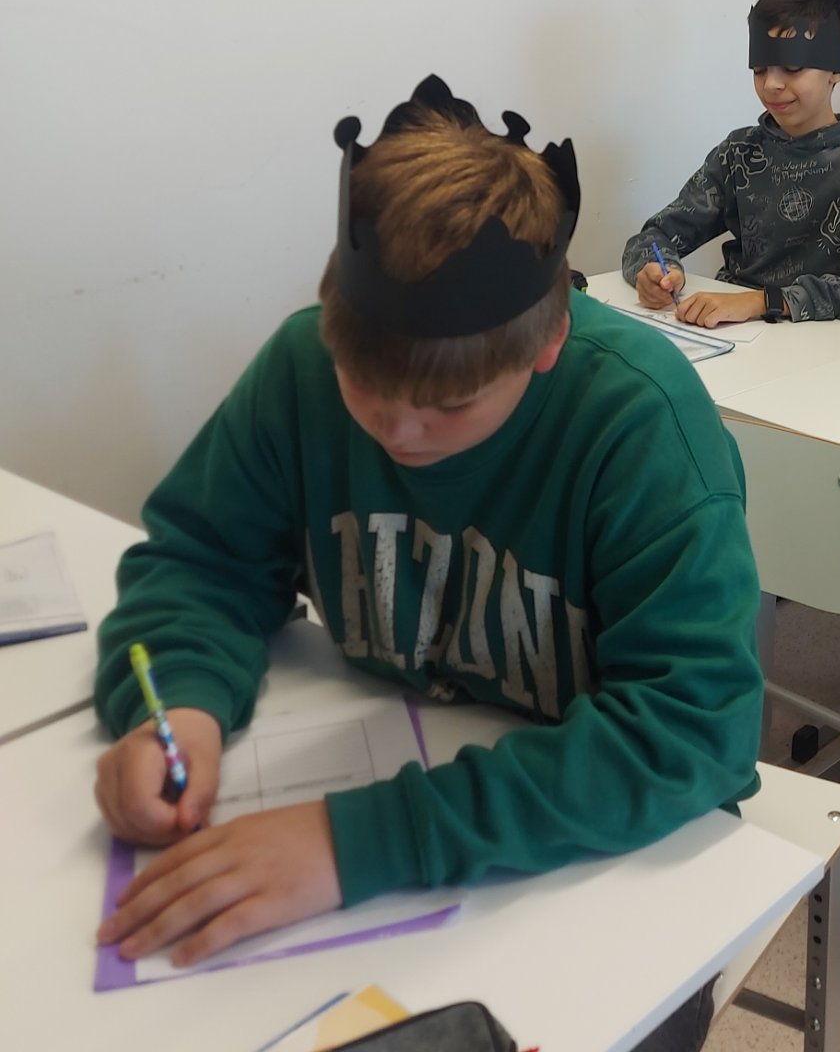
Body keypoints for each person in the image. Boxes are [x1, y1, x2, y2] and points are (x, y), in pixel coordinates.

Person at [92, 76, 764, 1047]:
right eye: (365, 390)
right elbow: (200, 563)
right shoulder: (301, 365)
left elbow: (692, 731)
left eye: (449, 408)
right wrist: (179, 705)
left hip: (607, 855)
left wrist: (356, 841)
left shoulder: (637, 421)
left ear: (545, 345)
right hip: (409, 787)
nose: (399, 430)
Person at [623, 0, 840, 325]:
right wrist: (655, 270)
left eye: (793, 67)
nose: (771, 85)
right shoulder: (739, 154)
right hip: (733, 336)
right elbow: (654, 236)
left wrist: (761, 302)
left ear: (836, 70)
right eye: (759, 70)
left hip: (817, 344)